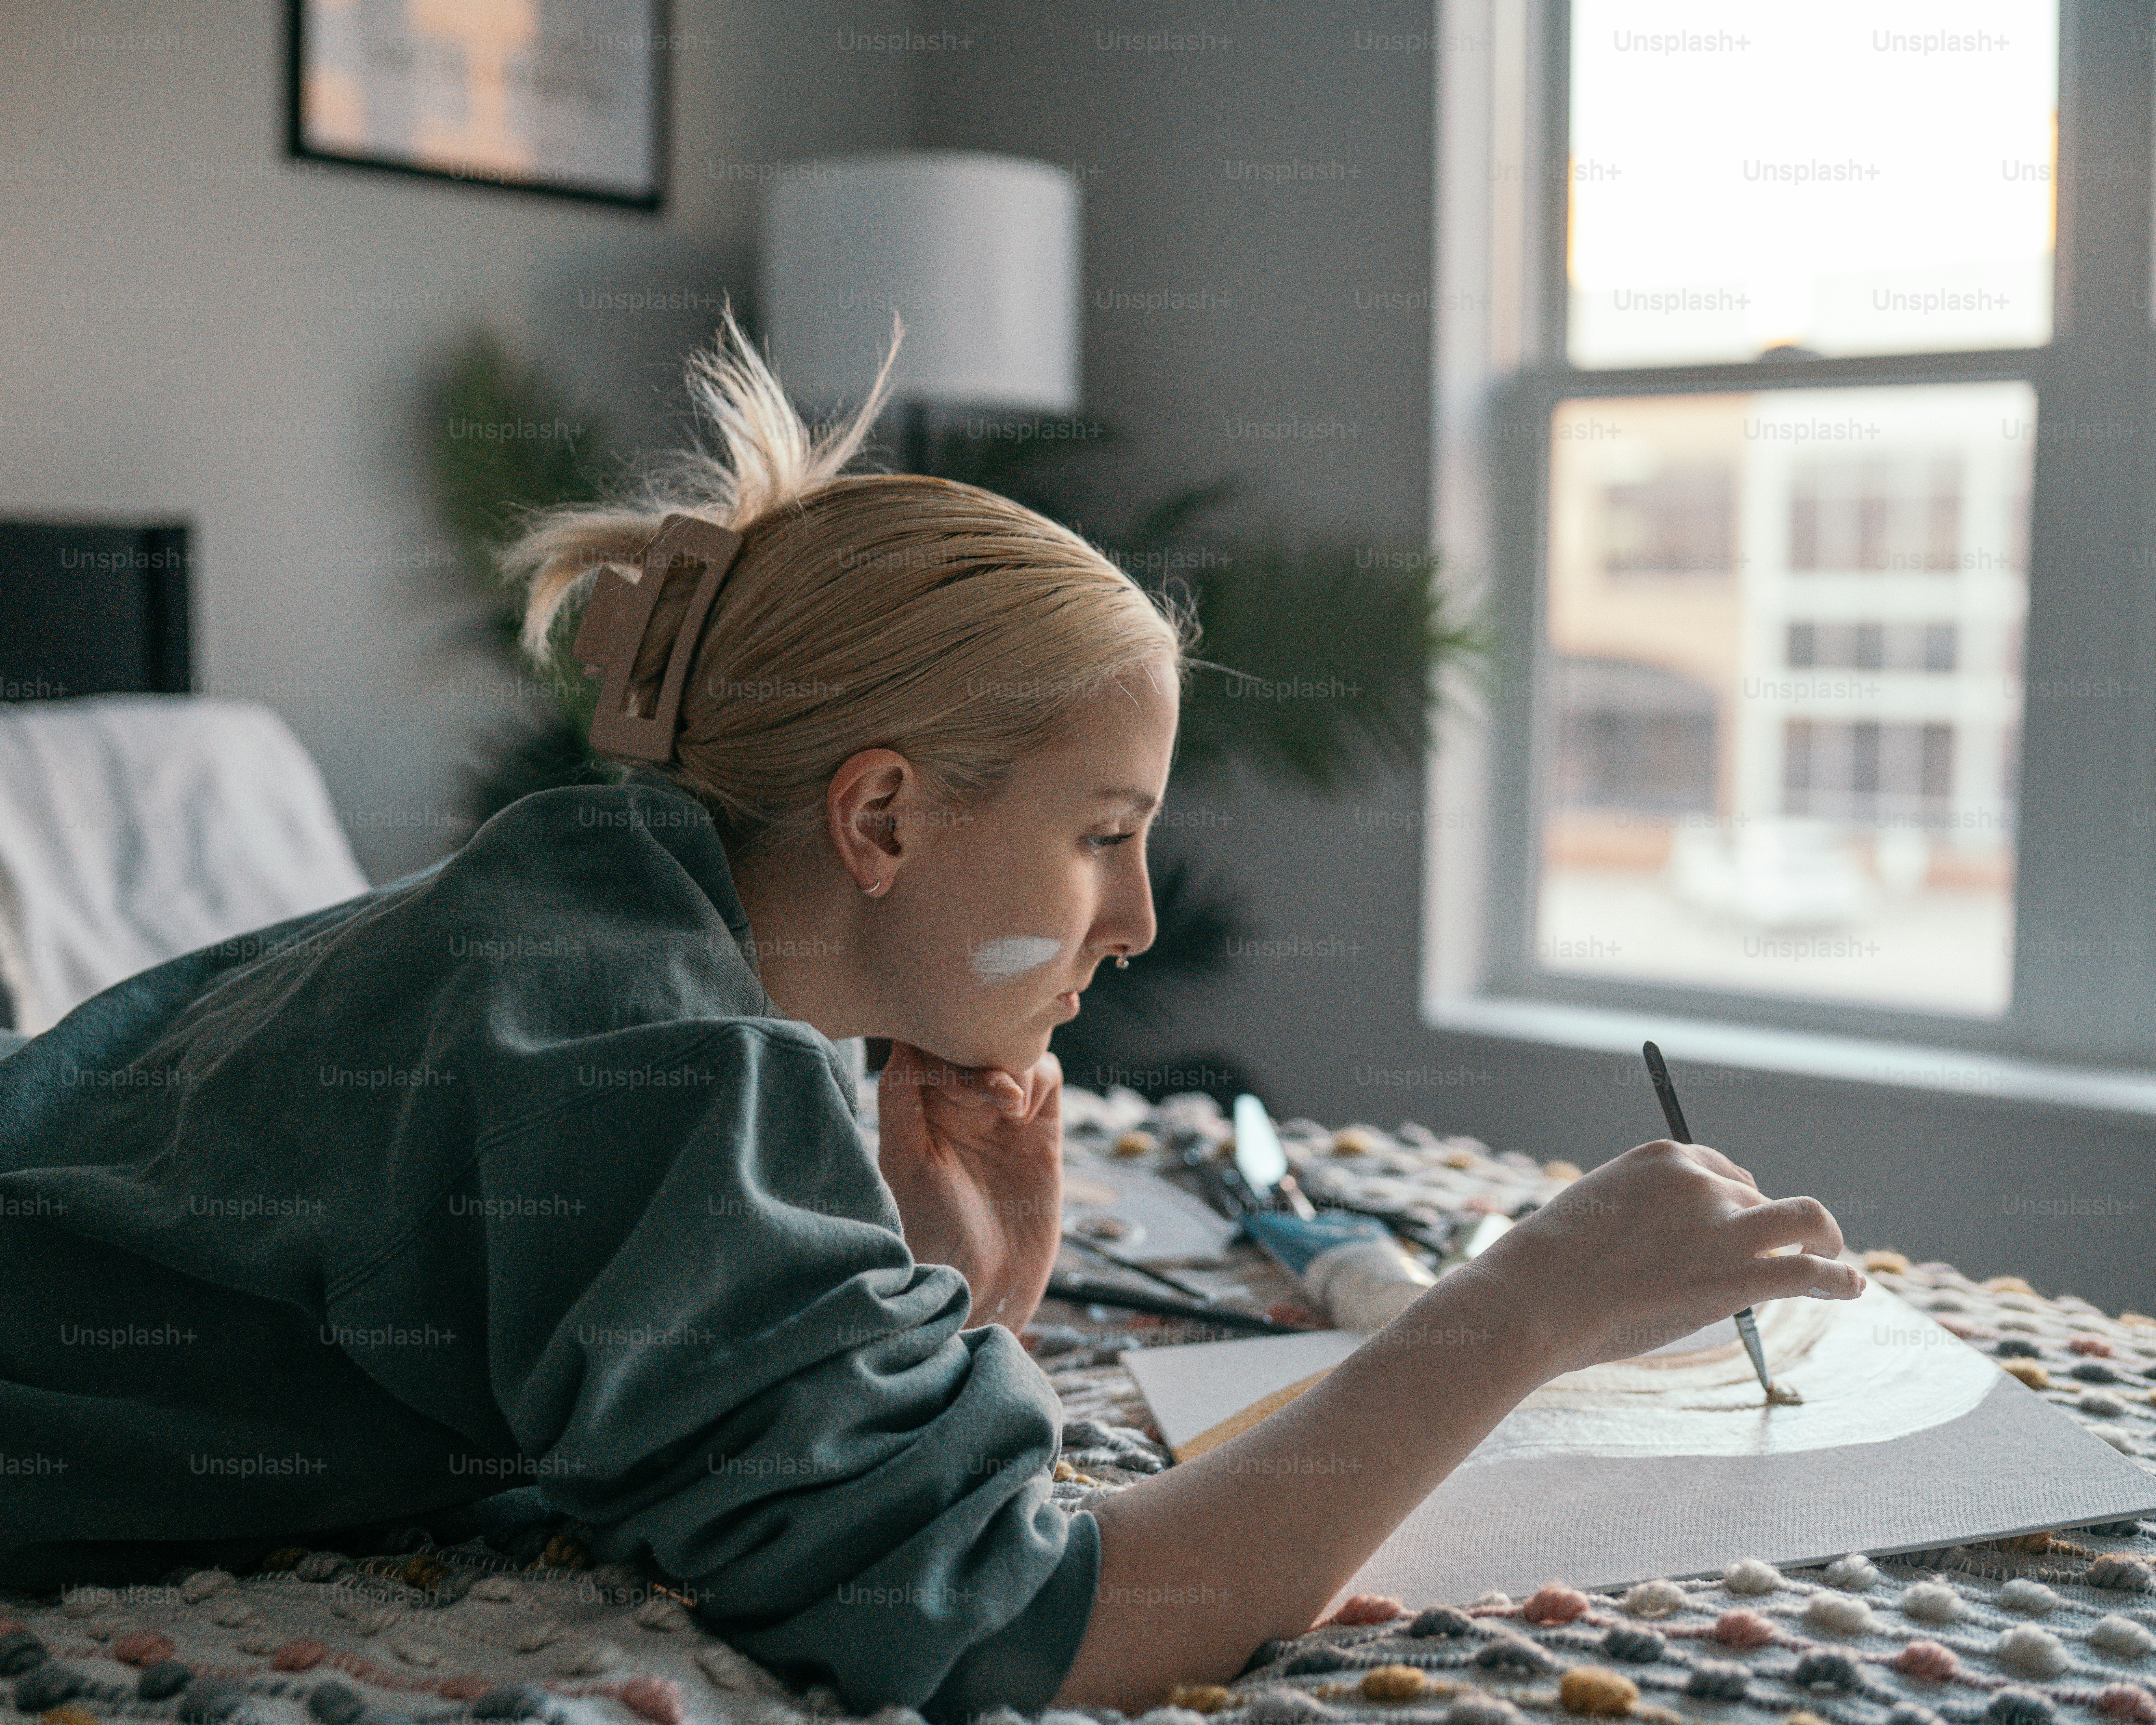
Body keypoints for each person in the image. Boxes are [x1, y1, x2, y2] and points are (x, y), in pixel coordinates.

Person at [0, 309, 1866, 1721]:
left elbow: (661, 1392)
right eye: (1102, 835)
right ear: (882, 815)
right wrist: (1527, 1300)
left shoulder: (574, 912)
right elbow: (1027, 1624)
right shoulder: (642, 1050)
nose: (1131, 918)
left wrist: (951, 1296)